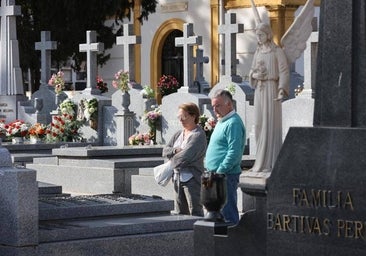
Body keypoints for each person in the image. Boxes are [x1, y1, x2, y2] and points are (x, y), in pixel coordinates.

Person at [249, 22, 289, 173]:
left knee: (269, 124)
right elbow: (251, 71)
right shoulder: (258, 52)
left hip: (272, 89)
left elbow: (284, 71)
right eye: (257, 35)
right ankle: (260, 160)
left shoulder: (277, 51)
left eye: (261, 34)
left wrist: (281, 90)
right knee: (259, 124)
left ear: (268, 34)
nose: (258, 37)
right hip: (259, 90)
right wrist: (255, 75)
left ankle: (269, 162)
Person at [205, 89, 246, 225]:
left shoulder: (233, 123)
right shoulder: (223, 120)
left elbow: (234, 152)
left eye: (218, 106)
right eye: (213, 106)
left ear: (229, 105)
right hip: (214, 175)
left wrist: (220, 170)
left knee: (227, 215)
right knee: (216, 214)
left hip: (225, 176)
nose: (215, 110)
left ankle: (233, 244)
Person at [162, 102, 207, 216]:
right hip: (177, 178)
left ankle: (198, 233)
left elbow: (185, 157)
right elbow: (165, 150)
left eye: (184, 116)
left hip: (192, 178)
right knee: (180, 212)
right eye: (179, 117)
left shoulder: (198, 135)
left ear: (193, 116)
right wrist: (175, 151)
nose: (181, 120)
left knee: (195, 211)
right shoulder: (178, 134)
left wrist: (171, 159)